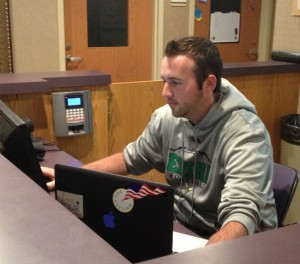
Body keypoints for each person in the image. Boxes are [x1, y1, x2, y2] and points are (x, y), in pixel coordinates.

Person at [43, 36, 277, 245]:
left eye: (176, 82)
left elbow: (240, 216)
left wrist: (205, 257)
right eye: (164, 80)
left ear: (209, 84)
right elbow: (133, 158)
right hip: (184, 233)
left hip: (239, 245)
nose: (165, 92)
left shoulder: (246, 134)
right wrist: (71, 177)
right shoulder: (168, 117)